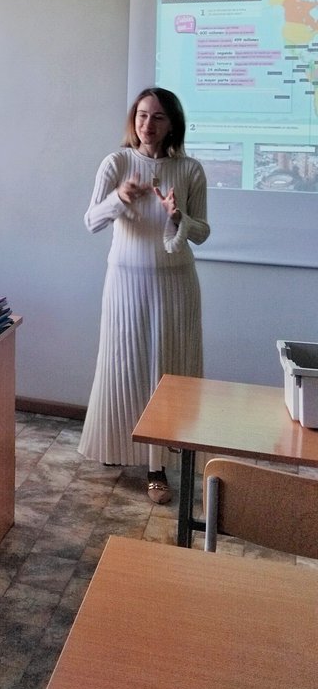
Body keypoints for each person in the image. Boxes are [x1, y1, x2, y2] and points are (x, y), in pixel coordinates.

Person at [81, 87, 210, 503]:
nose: (147, 125)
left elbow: (203, 232)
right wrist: (119, 198)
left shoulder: (190, 169)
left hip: (175, 285)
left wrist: (179, 216)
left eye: (157, 117)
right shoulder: (116, 163)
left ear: (172, 124)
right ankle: (117, 445)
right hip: (125, 283)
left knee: (167, 371)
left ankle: (158, 467)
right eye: (141, 115)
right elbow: (91, 221)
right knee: (122, 366)